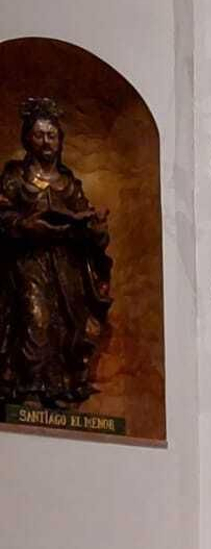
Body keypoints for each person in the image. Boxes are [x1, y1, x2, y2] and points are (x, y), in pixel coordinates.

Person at [0, 96, 113, 408]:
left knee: (68, 325)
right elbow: (3, 215)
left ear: (60, 140)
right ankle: (28, 386)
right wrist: (26, 225)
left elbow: (85, 221)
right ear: (27, 138)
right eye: (39, 134)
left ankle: (58, 386)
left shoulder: (68, 182)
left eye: (52, 135)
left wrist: (95, 226)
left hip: (67, 266)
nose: (46, 141)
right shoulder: (15, 176)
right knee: (36, 319)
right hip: (28, 261)